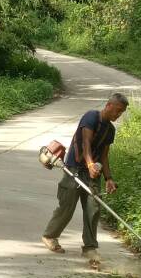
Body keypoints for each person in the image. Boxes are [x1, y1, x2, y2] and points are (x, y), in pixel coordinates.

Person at [42, 92, 129, 254]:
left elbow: (104, 156)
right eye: (117, 110)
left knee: (93, 209)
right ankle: (50, 236)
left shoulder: (110, 130)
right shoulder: (91, 117)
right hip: (74, 169)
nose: (118, 114)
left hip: (93, 173)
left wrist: (108, 178)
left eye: (121, 112)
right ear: (108, 105)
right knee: (67, 206)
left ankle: (90, 247)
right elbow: (86, 143)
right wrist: (89, 164)